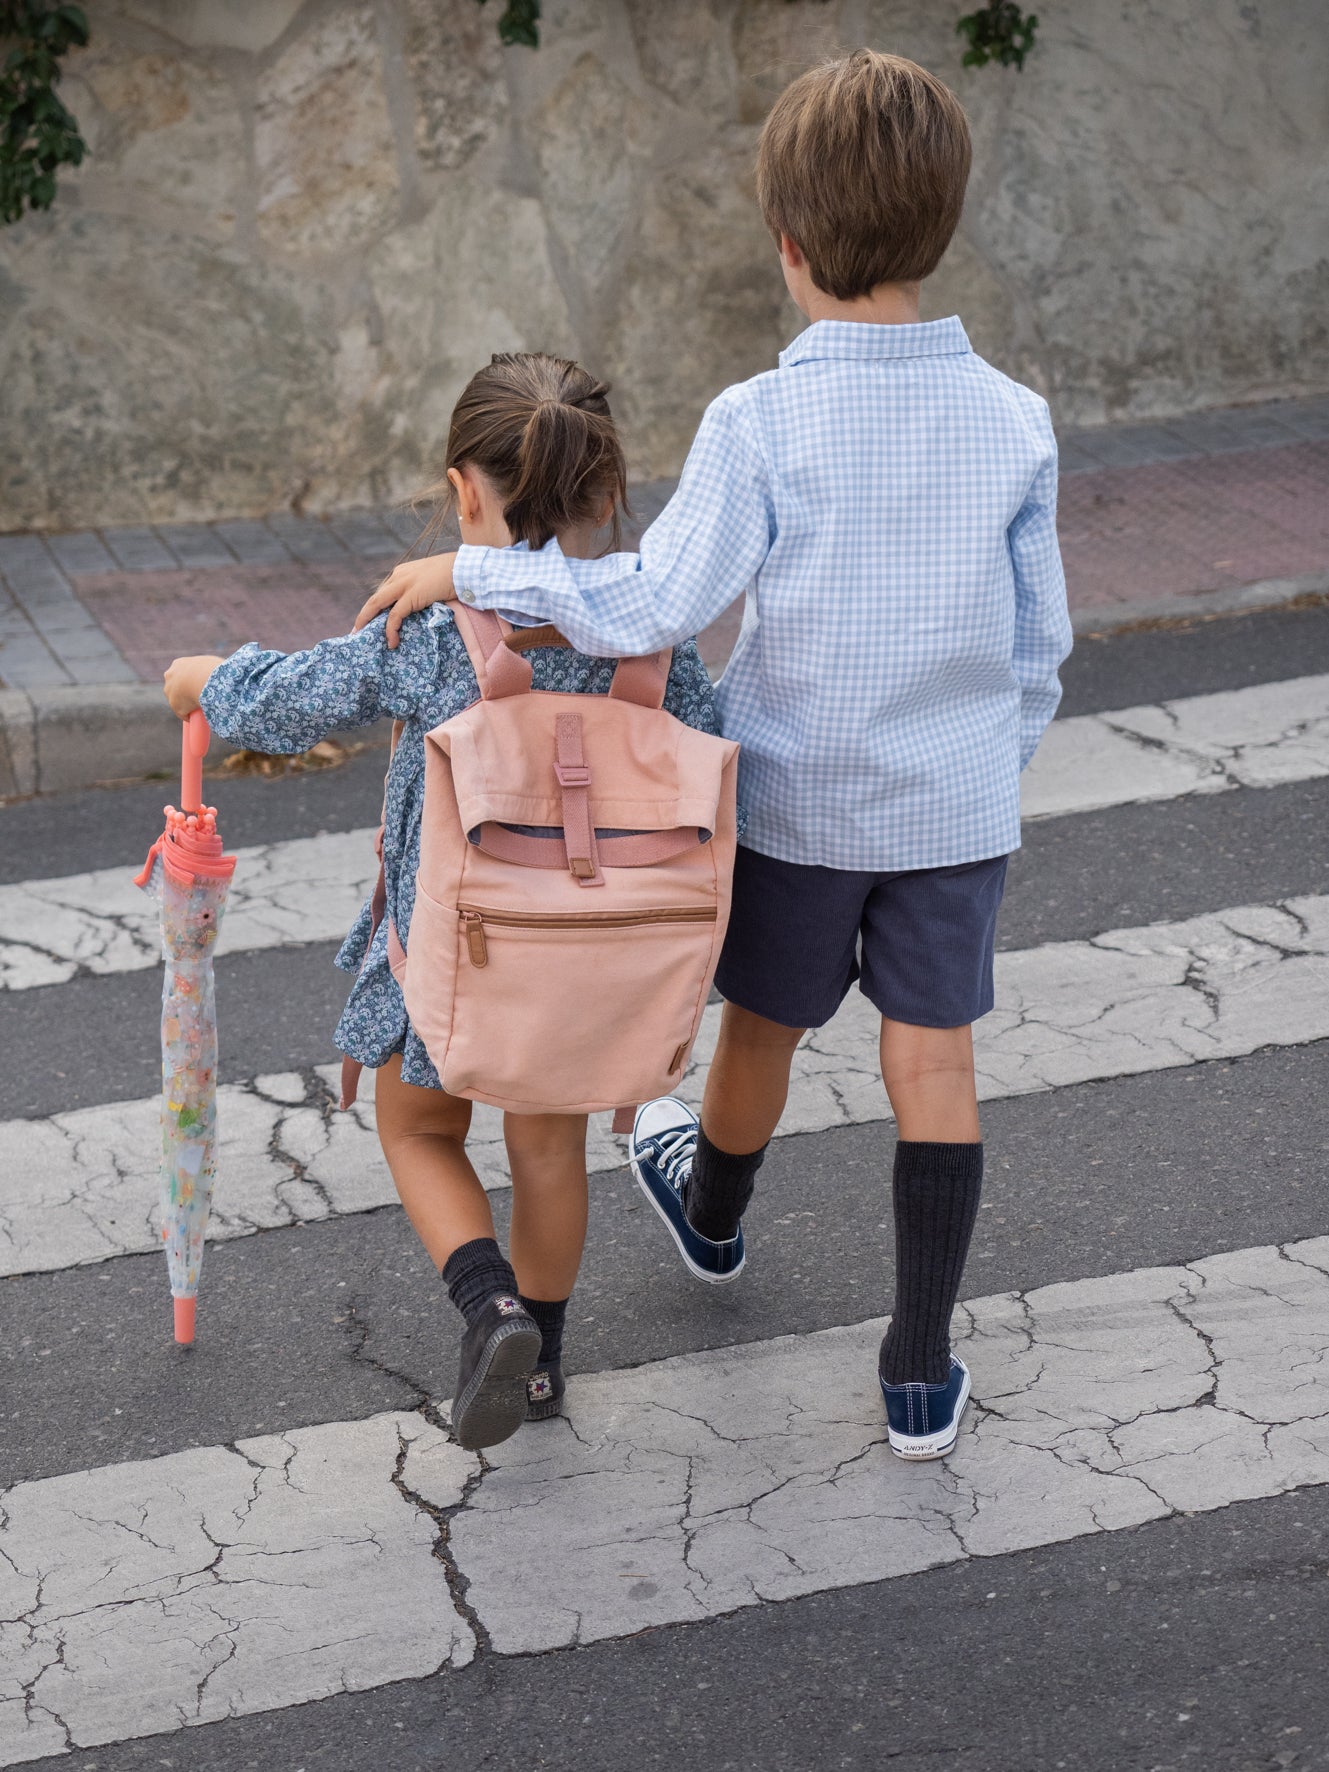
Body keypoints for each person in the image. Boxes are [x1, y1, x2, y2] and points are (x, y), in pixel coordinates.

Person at [353, 52, 1073, 1461]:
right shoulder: (1013, 421)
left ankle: (716, 1213)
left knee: (762, 1031)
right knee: (935, 1070)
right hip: (950, 815)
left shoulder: (762, 419)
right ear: (942, 227)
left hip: (801, 806)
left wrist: (474, 575)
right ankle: (919, 1371)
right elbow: (1041, 642)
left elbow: (654, 602)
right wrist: (993, 762)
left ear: (788, 248)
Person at [162, 352, 724, 1452]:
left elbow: (291, 700)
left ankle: (489, 1305)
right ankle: (546, 1360)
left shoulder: (433, 632)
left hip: (453, 956)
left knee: (417, 1123)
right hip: (587, 961)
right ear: (607, 494)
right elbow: (709, 744)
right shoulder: (655, 638)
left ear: (464, 491)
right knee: (550, 1151)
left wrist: (203, 679)